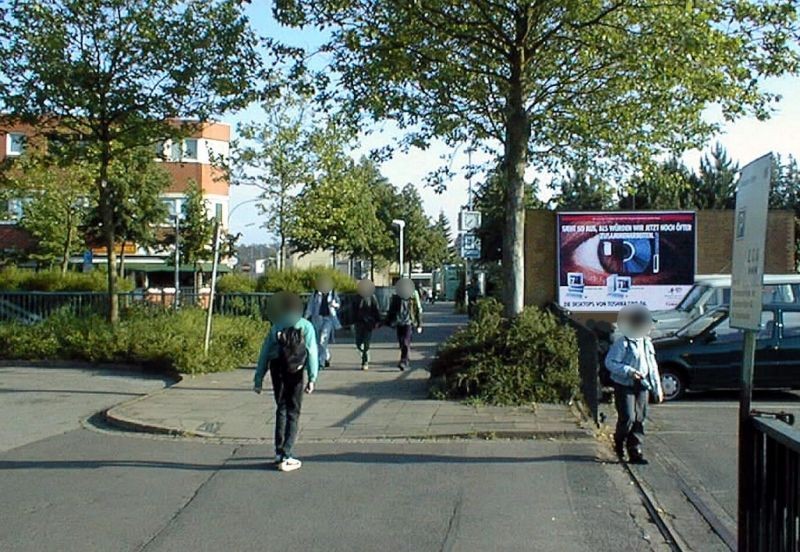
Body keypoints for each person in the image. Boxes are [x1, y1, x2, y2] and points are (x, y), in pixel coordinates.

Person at [254, 292, 318, 472]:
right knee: (294, 411)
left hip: (278, 369)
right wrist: (312, 378)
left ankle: (278, 451)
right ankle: (287, 454)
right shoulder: (305, 326)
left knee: (281, 408)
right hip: (296, 371)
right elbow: (312, 352)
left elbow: (265, 352)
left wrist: (258, 378)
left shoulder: (277, 326)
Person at [605, 304, 664, 464]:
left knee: (640, 417)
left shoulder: (647, 343)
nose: (650, 327)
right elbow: (610, 362)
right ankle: (619, 441)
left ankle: (635, 450)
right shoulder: (623, 343)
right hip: (624, 385)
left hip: (642, 385)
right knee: (628, 417)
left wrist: (657, 389)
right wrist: (629, 371)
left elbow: (652, 367)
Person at [385, 277, 423, 371]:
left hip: (409, 322)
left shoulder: (414, 295)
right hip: (399, 322)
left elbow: (418, 309)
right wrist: (388, 321)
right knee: (401, 342)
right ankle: (405, 357)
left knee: (406, 342)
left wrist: (419, 324)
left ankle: (403, 361)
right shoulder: (396, 297)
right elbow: (391, 310)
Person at [305, 275, 341, 370]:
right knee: (318, 341)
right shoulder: (316, 293)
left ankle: (320, 362)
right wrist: (306, 317)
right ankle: (327, 356)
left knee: (323, 339)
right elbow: (310, 306)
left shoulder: (333, 293)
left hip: (328, 319)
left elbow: (338, 304)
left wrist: (334, 304)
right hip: (317, 319)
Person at [353, 279, 381, 371]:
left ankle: (365, 361)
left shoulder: (371, 297)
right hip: (358, 323)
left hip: (368, 323)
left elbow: (376, 309)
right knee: (358, 343)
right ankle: (365, 354)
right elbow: (351, 310)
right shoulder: (356, 297)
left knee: (366, 342)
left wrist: (378, 321)